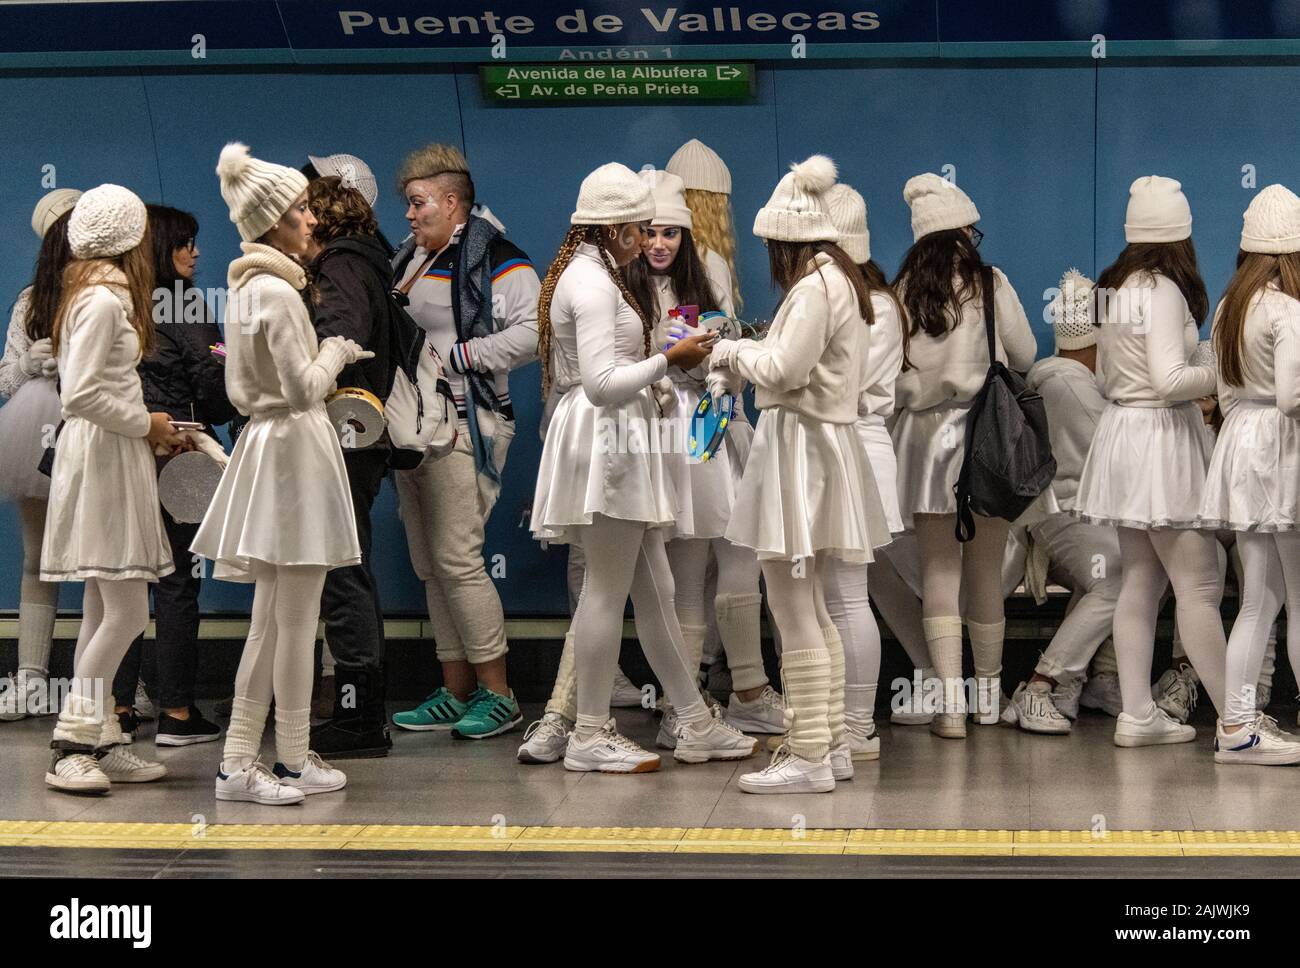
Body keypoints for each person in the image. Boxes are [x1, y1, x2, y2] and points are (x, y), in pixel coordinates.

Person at [530, 161, 756, 773]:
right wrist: (671, 358)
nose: (647, 237)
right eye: (638, 225)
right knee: (607, 590)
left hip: (619, 436)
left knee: (654, 589)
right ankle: (590, 733)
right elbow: (603, 384)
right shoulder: (596, 284)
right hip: (611, 437)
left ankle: (694, 719)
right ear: (617, 227)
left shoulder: (590, 272)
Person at [195, 143, 370, 804]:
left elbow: (243, 388)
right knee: (288, 621)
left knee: (279, 617)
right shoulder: (281, 293)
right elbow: (303, 389)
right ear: (271, 222)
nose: (310, 220)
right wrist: (336, 351)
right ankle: (252, 759)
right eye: (298, 210)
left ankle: (279, 757)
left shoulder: (243, 288)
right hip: (295, 450)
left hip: (265, 449)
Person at [709, 155, 890, 793]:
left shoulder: (815, 288)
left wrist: (730, 349)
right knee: (812, 603)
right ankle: (831, 742)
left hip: (800, 451)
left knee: (793, 606)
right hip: (824, 449)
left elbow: (785, 370)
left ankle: (809, 753)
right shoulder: (842, 283)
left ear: (782, 240)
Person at [626, 168, 784, 741]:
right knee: (686, 575)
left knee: (741, 561)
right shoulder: (625, 289)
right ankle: (682, 707)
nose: (659, 243)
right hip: (676, 439)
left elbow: (729, 359)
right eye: (649, 232)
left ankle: (748, 691)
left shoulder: (707, 276)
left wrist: (726, 358)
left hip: (719, 431)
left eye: (671, 233)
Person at [1073, 175, 1228, 750]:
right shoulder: (1163, 290)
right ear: (1180, 236)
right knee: (1200, 586)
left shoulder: (1117, 287)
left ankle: (1137, 712)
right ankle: (1237, 725)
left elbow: (1119, 375)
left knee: (1142, 578)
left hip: (1125, 436)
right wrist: (1223, 369)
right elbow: (1169, 380)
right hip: (1161, 441)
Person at [389, 144, 538, 739]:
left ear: (454, 203)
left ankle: (499, 694)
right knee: (430, 566)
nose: (409, 214)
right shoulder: (411, 259)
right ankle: (455, 691)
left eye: (418, 202)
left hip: (465, 426)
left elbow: (533, 334)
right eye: (407, 203)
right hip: (413, 430)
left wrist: (461, 356)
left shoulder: (498, 257)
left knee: (457, 559)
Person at [42, 184, 183, 794]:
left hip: (106, 452)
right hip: (102, 455)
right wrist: (146, 422)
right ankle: (70, 744)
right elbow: (79, 394)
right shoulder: (104, 299)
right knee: (126, 609)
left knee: (102, 606)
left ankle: (100, 736)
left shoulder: (88, 292)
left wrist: (144, 427)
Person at [890, 173, 1036, 738]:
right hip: (986, 439)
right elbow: (1022, 352)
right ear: (964, 232)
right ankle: (987, 699)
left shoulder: (902, 291)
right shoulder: (991, 283)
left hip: (924, 441)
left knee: (938, 572)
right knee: (984, 573)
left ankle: (949, 707)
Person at [110, 205, 235, 747]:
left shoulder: (117, 300)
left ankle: (116, 708)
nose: (196, 252)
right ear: (162, 247)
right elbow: (215, 376)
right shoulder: (188, 305)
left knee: (122, 583)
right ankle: (178, 712)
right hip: (178, 452)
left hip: (117, 452)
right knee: (177, 582)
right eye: (185, 243)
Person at [1198, 183, 1300, 763]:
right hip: (1281, 450)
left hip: (1241, 446)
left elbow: (1225, 391)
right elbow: (1291, 397)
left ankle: (1236, 724)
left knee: (1257, 598)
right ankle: (1238, 727)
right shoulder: (1287, 309)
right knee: (1288, 597)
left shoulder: (1228, 308)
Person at [301, 173, 403, 758]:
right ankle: (362, 710)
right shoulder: (370, 259)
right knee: (350, 566)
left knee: (341, 571)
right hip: (361, 435)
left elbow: (341, 337)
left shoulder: (338, 266)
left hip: (343, 432)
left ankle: (357, 716)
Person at [1002, 270, 1122, 734]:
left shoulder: (1057, 376)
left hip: (1066, 520)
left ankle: (1086, 679)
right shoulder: (1072, 385)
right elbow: (1118, 452)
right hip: (1064, 519)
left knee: (1119, 567)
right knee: (1116, 575)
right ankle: (1042, 684)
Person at [819, 182, 907, 759]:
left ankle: (854, 725)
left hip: (849, 445)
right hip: (850, 446)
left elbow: (835, 390)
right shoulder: (874, 300)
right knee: (838, 595)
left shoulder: (857, 303)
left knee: (845, 596)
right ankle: (843, 721)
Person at [0, 189, 80, 723]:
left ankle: (124, 683)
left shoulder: (117, 292)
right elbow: (5, 378)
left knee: (117, 562)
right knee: (38, 558)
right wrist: (30, 363)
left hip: (97, 427)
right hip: (41, 430)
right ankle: (31, 677)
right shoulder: (31, 301)